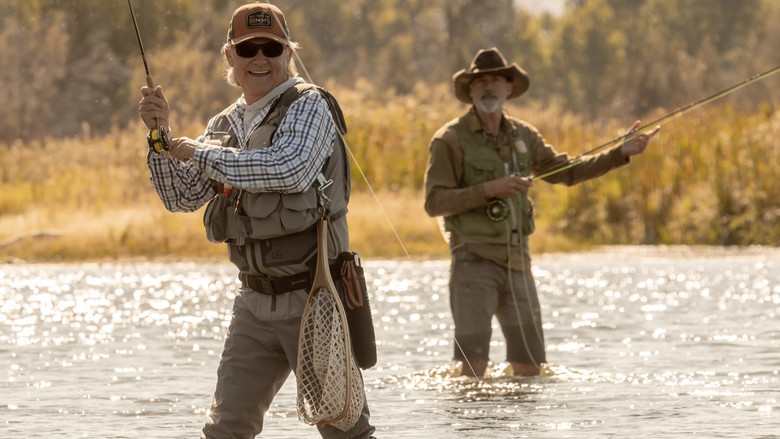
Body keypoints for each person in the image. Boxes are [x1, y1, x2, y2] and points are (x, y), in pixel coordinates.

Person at [137, 3, 376, 438]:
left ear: (289, 53)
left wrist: (198, 151)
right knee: (225, 429)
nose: (260, 59)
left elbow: (288, 169)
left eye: (271, 47)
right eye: (249, 49)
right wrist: (159, 138)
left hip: (316, 297)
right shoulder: (223, 123)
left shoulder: (311, 107)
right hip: (251, 303)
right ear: (230, 57)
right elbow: (181, 196)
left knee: (344, 429)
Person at [423, 47, 659, 378]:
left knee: (530, 367)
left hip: (519, 264)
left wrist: (619, 152)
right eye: (481, 82)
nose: (488, 87)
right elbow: (434, 202)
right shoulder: (449, 140)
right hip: (472, 263)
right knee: (473, 368)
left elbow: (568, 171)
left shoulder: (524, 135)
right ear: (470, 91)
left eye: (496, 81)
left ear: (509, 89)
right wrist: (490, 189)